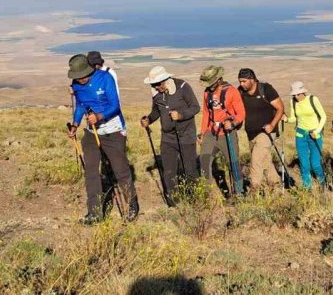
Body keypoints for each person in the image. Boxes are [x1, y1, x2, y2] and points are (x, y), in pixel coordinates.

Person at [67, 54, 139, 224]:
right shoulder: (77, 84)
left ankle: (131, 207)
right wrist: (75, 124)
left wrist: (99, 116)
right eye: (76, 77)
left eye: (81, 77)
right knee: (91, 171)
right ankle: (94, 212)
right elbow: (81, 105)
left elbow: (115, 106)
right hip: (91, 132)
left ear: (89, 71)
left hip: (112, 130)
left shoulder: (105, 78)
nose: (79, 80)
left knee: (121, 171)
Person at [140, 66, 201, 205]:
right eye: (153, 84)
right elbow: (156, 111)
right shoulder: (156, 93)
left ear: (164, 80)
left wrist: (180, 115)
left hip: (186, 135)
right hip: (167, 137)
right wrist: (148, 119)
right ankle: (173, 202)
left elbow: (195, 107)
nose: (155, 86)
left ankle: (195, 201)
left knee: (189, 169)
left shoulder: (182, 86)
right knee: (169, 171)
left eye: (157, 84)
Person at [198, 65, 246, 196]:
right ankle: (208, 195)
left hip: (227, 134)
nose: (209, 86)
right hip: (211, 133)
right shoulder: (207, 93)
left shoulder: (231, 91)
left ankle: (239, 193)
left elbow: (241, 114)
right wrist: (202, 133)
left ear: (219, 79)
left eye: (211, 82)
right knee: (204, 162)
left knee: (234, 165)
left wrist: (232, 123)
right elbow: (206, 114)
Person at [236, 68, 285, 191]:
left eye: (244, 81)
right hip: (251, 132)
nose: (241, 84)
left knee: (255, 160)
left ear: (252, 79)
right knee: (265, 160)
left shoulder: (266, 89)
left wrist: (272, 125)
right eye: (240, 81)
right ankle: (276, 184)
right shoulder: (240, 91)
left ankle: (254, 189)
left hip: (267, 132)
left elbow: (280, 108)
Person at [288, 81, 327, 189]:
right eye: (294, 95)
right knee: (304, 164)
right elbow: (293, 118)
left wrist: (316, 131)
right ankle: (307, 187)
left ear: (303, 92)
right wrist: (285, 119)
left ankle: (323, 182)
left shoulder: (313, 99)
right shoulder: (293, 102)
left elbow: (323, 116)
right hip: (300, 135)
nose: (296, 97)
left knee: (315, 164)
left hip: (314, 134)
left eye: (298, 94)